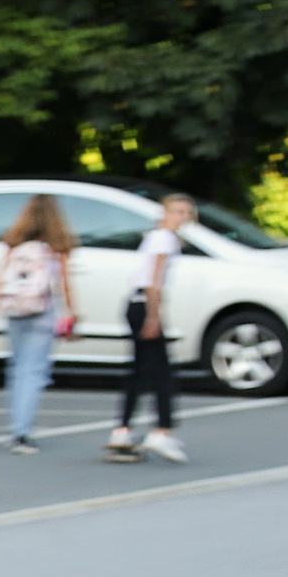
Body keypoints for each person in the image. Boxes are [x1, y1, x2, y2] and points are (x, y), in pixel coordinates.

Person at [0, 194, 79, 453]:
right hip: (42, 311)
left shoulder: (14, 246)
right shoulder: (56, 248)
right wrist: (70, 315)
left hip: (14, 310)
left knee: (17, 369)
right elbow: (64, 285)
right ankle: (23, 432)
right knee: (33, 373)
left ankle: (15, 428)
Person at [107, 195, 191, 464]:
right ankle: (161, 431)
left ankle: (122, 431)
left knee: (141, 370)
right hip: (145, 305)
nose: (182, 217)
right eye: (177, 212)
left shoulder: (156, 236)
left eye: (186, 213)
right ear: (164, 213)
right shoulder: (164, 238)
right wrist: (154, 316)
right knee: (162, 372)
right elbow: (153, 281)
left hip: (137, 304)